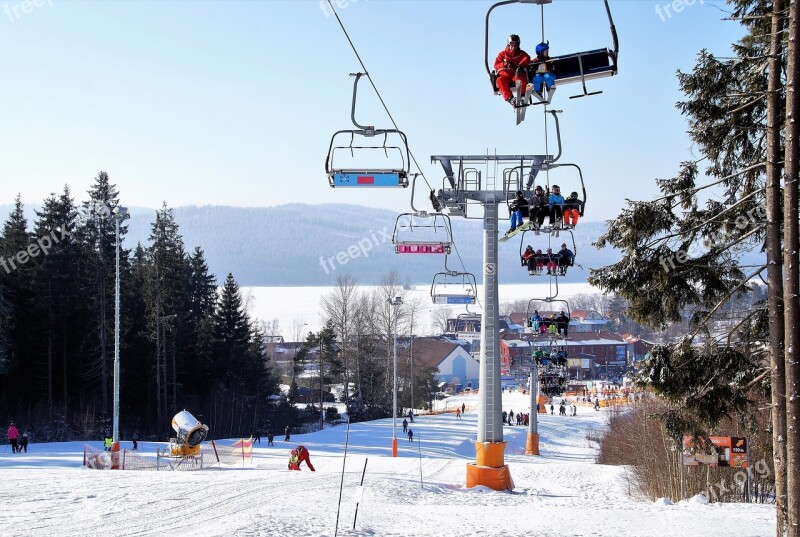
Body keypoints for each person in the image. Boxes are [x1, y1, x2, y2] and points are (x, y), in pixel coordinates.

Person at [494, 34, 531, 107]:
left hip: (515, 74)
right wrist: (504, 64)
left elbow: (526, 58)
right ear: (508, 44)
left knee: (520, 78)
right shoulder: (503, 54)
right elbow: (496, 65)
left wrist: (521, 65)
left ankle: (523, 95)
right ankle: (510, 98)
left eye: (515, 44)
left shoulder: (520, 54)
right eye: (512, 44)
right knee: (500, 80)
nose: (513, 47)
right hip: (506, 75)